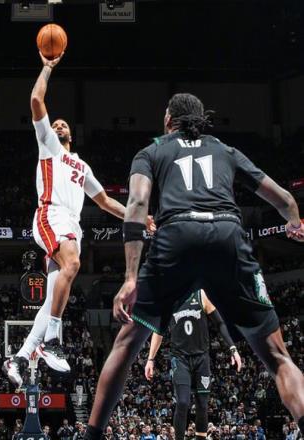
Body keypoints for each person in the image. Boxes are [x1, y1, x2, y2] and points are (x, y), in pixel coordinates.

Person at [83, 93, 304, 440]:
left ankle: (92, 436)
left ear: (169, 120)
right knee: (278, 357)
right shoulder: (225, 150)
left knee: (125, 345)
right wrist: (294, 223)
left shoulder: (151, 151)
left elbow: (137, 203)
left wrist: (130, 277)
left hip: (176, 239)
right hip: (227, 237)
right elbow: (285, 199)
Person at [4, 51, 146, 385]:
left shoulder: (82, 166)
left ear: (73, 134)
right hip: (50, 214)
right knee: (73, 265)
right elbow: (36, 99)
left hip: (72, 225)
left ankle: (19, 358)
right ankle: (52, 341)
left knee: (52, 297)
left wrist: (139, 218)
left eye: (63, 124)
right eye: (54, 124)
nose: (58, 125)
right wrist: (47, 67)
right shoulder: (49, 147)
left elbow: (106, 202)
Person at [145, 290, 243, 440]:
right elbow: (158, 331)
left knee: (202, 405)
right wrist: (150, 359)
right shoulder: (168, 299)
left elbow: (219, 323)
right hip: (180, 359)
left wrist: (233, 348)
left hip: (201, 359)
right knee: (183, 402)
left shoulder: (200, 295)